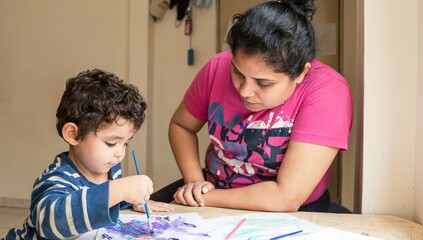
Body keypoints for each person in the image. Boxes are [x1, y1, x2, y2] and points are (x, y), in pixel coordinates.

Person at [158, 0, 352, 212]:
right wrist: (196, 185)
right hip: (213, 190)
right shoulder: (217, 67)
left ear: (301, 73)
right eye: (238, 73)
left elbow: (286, 198)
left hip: (289, 210)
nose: (244, 91)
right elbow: (182, 125)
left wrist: (208, 197)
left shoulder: (327, 91)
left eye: (263, 83)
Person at [3, 69, 173, 240]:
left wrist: (130, 200)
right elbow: (51, 223)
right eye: (111, 143)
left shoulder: (110, 168)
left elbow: (99, 203)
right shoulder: (57, 178)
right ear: (73, 134)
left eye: (125, 143)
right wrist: (118, 190)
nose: (119, 154)